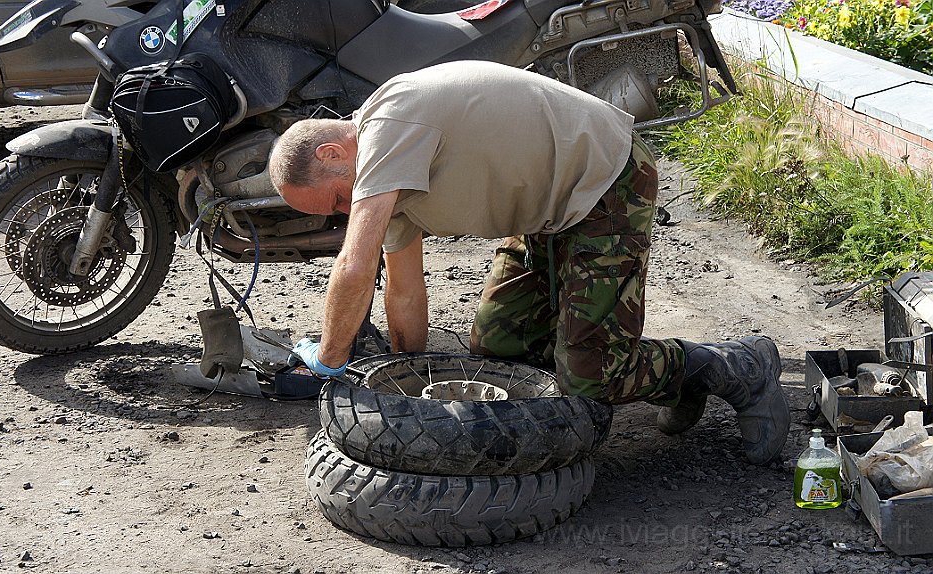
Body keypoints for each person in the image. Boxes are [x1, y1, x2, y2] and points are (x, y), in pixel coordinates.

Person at [267, 60, 789, 465]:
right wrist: (411, 386)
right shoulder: (392, 182)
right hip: (546, 212)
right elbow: (402, 292)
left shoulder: (389, 126)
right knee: (498, 347)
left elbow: (354, 265)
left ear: (334, 153)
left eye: (337, 201)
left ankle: (737, 366)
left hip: (606, 182)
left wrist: (329, 361)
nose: (344, 212)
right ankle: (663, 375)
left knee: (590, 378)